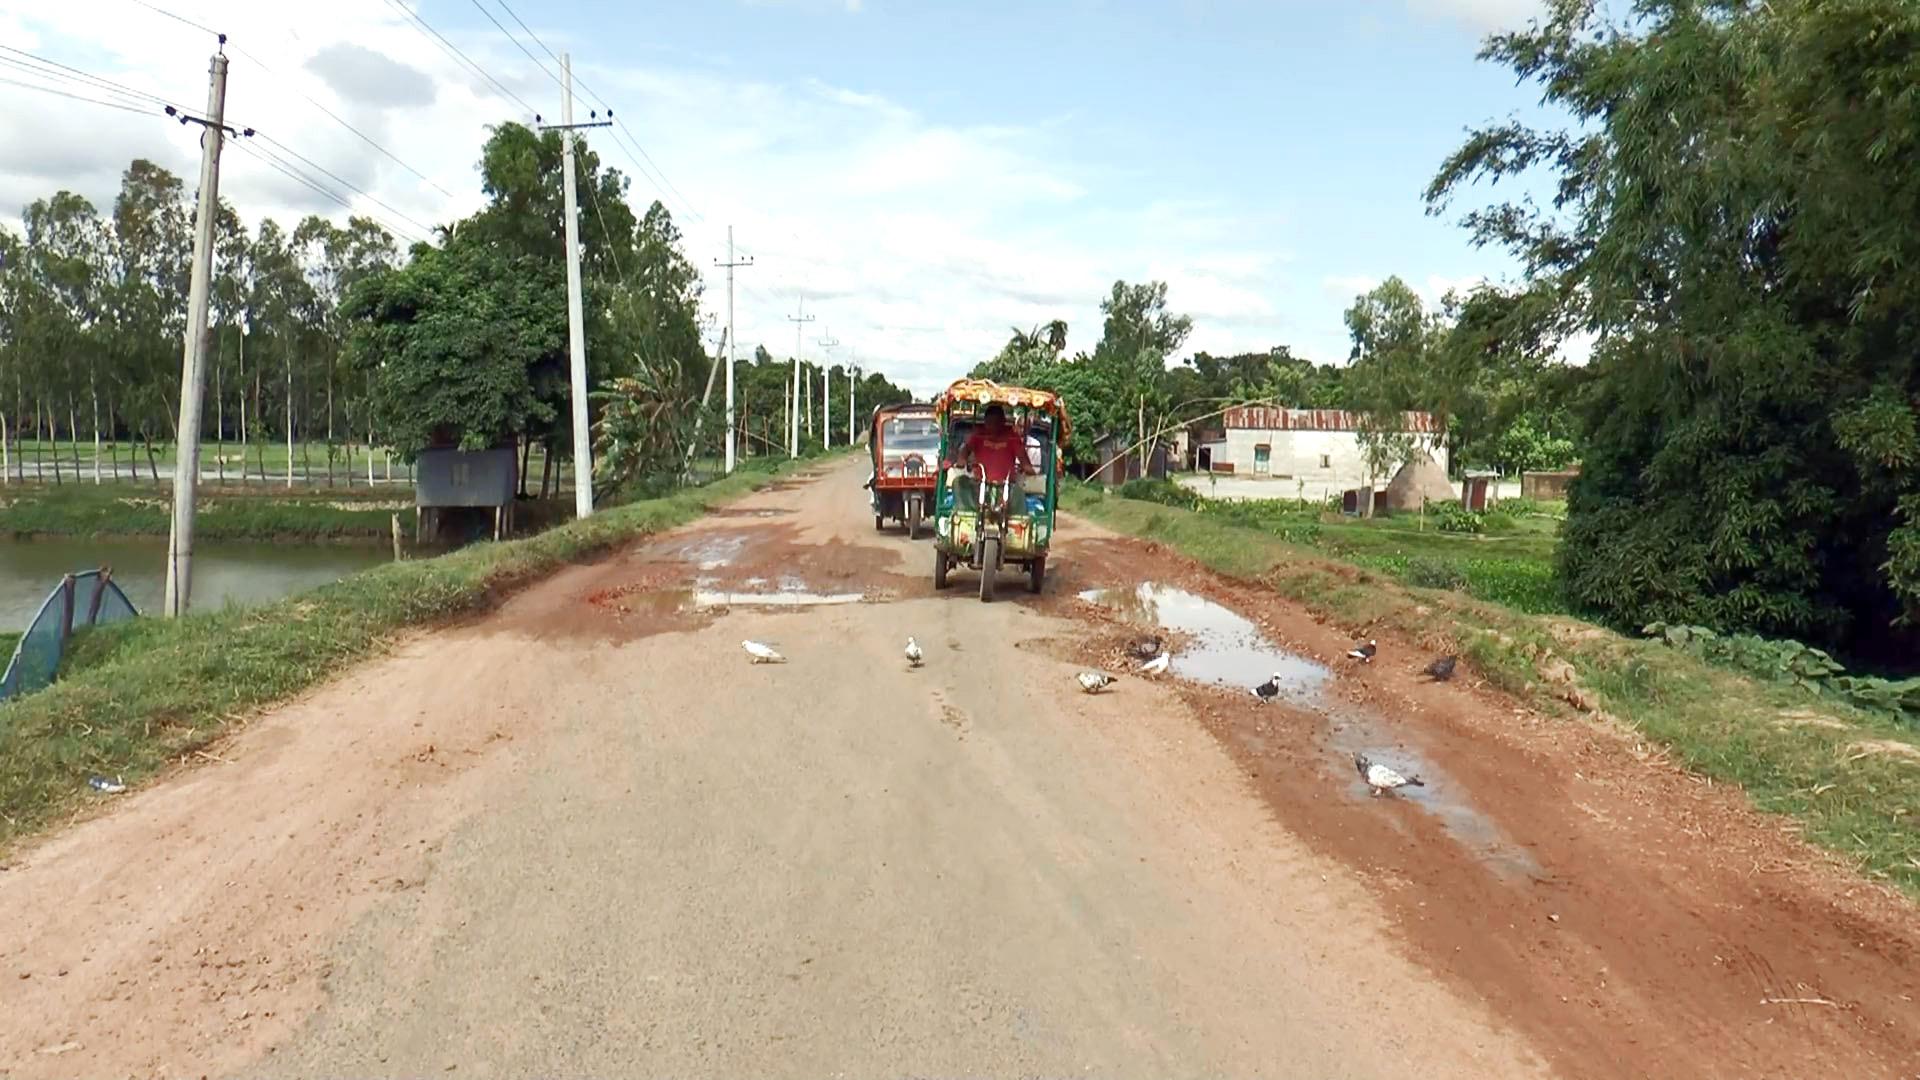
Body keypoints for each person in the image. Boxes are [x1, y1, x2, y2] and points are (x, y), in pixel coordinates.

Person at [952, 404, 1030, 486]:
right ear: (985, 421)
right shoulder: (978, 434)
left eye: (996, 423)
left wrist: (1029, 470)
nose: (993, 426)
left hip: (1006, 485)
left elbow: (1023, 459)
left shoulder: (1012, 436)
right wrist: (962, 459)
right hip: (979, 483)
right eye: (990, 422)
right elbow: (966, 449)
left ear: (1003, 421)